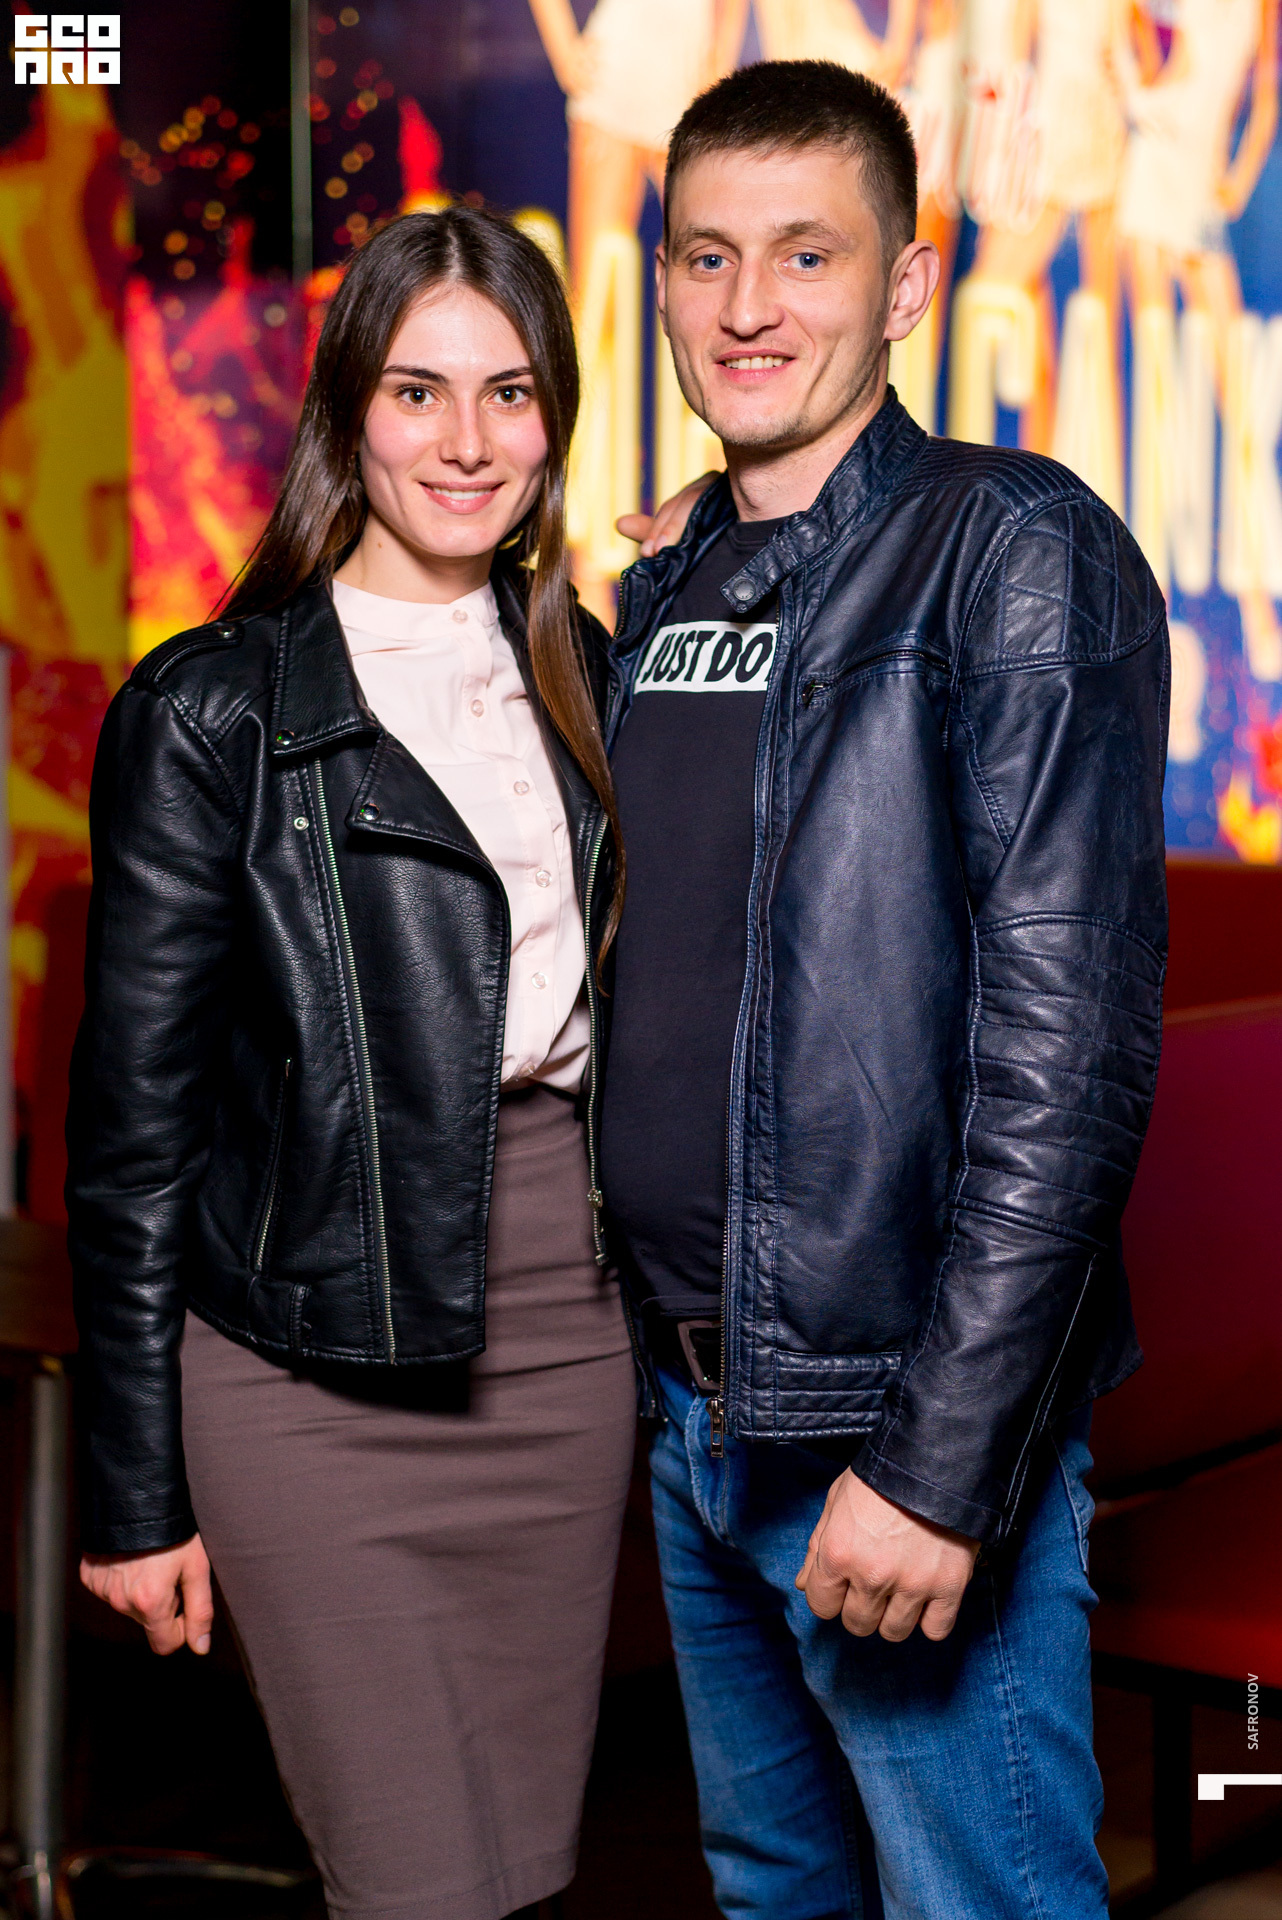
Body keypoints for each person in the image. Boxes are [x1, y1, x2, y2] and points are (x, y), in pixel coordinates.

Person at [601, 60, 1168, 1917]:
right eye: (706, 256)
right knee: (778, 1896)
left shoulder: (1009, 547)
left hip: (883, 1425)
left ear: (906, 287)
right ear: (662, 284)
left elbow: (1065, 1055)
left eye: (806, 254)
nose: (747, 305)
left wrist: (939, 1465)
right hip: (691, 1412)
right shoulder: (668, 581)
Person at [68, 207, 635, 1920]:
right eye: (417, 390)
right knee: (417, 1884)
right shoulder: (211, 709)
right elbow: (134, 1137)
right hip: (308, 1369)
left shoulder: (597, 673)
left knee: (521, 1872)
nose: (467, 441)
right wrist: (132, 1489)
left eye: (509, 393)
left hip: (565, 1345)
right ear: (347, 412)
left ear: (554, 418)